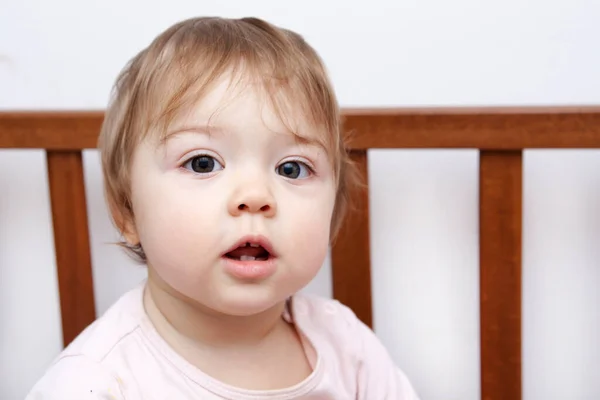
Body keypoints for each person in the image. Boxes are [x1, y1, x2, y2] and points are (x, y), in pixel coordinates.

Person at [27, 16, 420, 399]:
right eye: (203, 163)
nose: (255, 195)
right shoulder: (95, 383)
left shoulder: (347, 349)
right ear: (126, 212)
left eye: (292, 168)